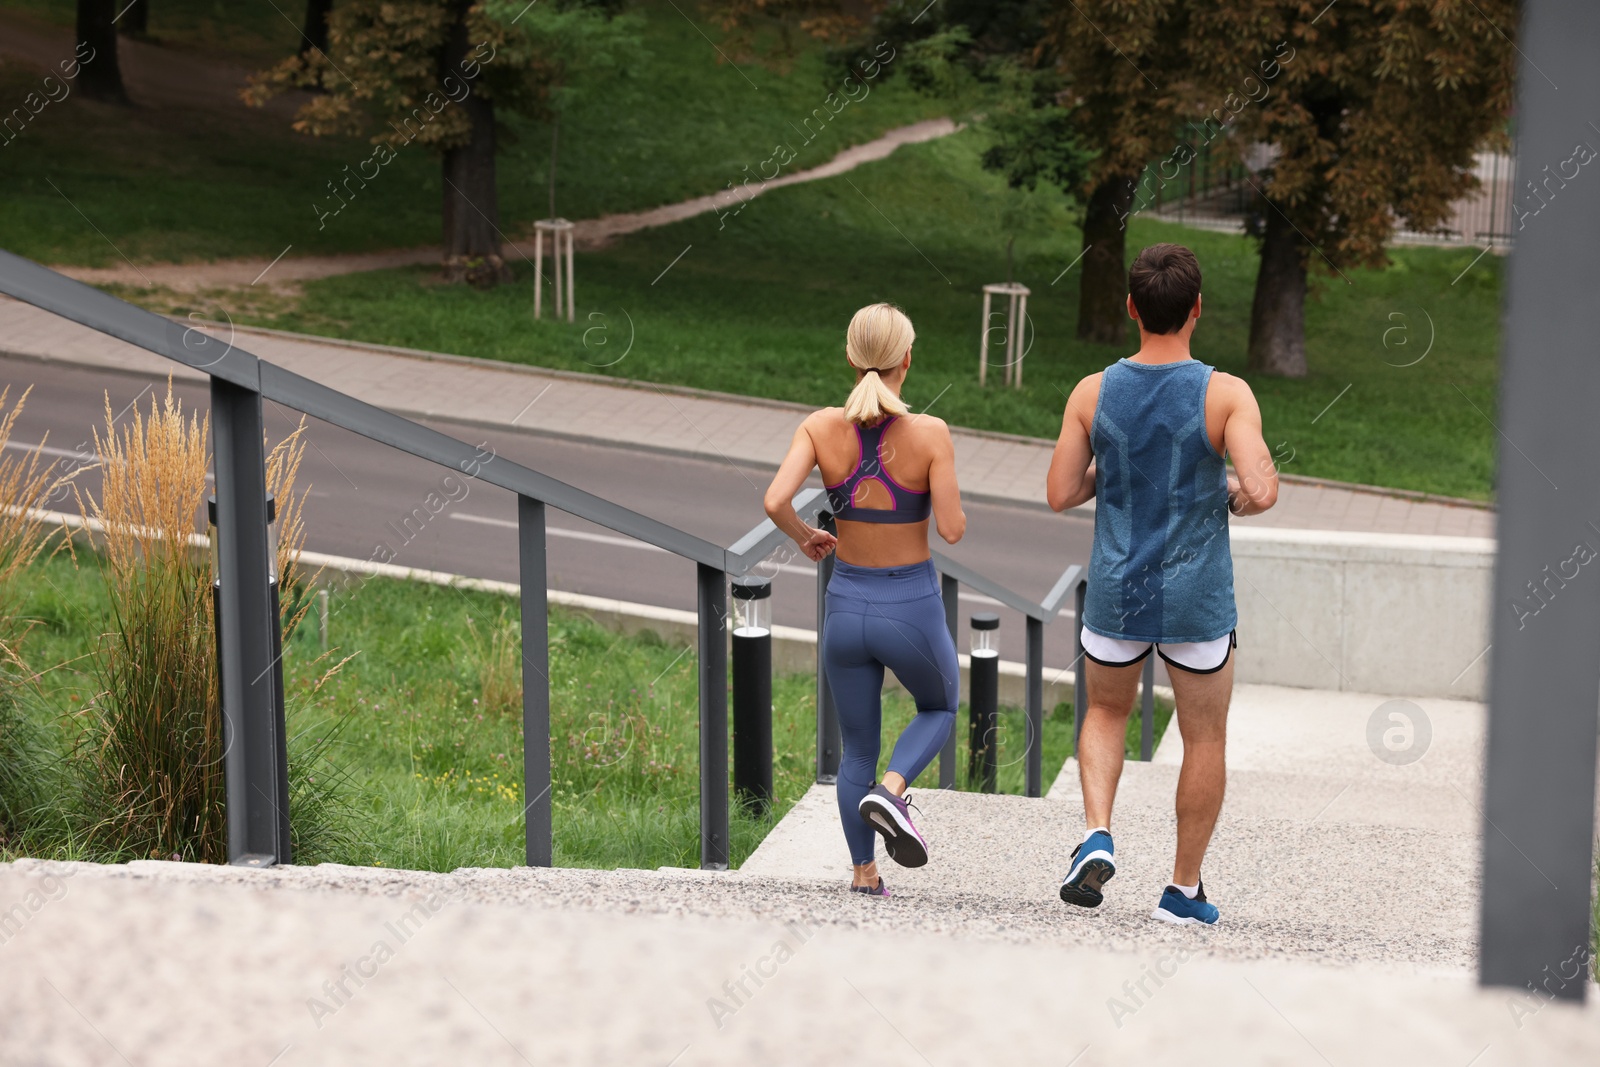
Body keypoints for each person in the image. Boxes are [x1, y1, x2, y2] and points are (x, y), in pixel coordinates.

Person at [1045, 243, 1278, 925]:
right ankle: (1181, 889)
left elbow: (1061, 491)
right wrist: (1229, 494)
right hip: (1197, 598)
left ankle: (1096, 831)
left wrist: (1108, 474)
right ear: (1197, 309)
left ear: (1131, 308)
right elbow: (1261, 488)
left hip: (1119, 591)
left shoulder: (1093, 391)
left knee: (1106, 712)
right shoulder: (1226, 393)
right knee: (1203, 737)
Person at [764, 302, 966, 897]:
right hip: (911, 606)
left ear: (850, 358)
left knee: (856, 747)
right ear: (907, 359)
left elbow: (776, 499)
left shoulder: (819, 427)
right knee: (940, 706)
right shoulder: (930, 433)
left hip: (846, 604)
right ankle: (894, 791)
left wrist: (808, 538)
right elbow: (952, 530)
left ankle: (864, 874)